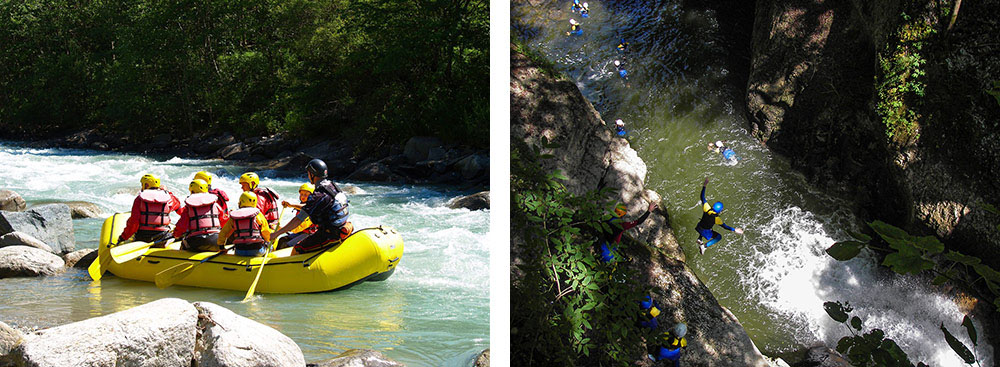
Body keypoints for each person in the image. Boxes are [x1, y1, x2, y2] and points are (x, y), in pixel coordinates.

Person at [271, 159, 354, 255]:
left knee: (297, 249)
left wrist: (276, 233)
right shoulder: (333, 186)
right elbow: (313, 205)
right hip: (339, 227)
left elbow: (298, 219)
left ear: (312, 174)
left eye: (308, 173)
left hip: (329, 234)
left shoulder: (319, 195)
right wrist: (292, 205)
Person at [118, 174, 182, 244]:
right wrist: (168, 192)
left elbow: (134, 222)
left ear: (146, 185)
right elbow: (180, 211)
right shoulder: (169, 198)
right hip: (163, 237)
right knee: (178, 237)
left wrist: (123, 237)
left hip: (142, 237)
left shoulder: (139, 199)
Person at [173, 179, 229, 252]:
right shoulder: (215, 205)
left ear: (192, 191)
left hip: (196, 242)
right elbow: (224, 222)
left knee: (183, 244)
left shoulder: (189, 207)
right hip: (216, 241)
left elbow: (182, 226)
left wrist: (176, 235)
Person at [695, 177, 743, 254]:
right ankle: (704, 246)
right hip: (705, 231)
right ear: (720, 211)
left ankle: (700, 238)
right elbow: (725, 227)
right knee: (718, 237)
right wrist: (735, 230)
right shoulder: (717, 219)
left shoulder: (707, 208)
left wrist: (704, 186)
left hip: (699, 227)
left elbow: (702, 197)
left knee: (705, 223)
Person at [217, 192, 272, 257]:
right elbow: (266, 233)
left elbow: (223, 233)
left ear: (241, 202)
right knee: (270, 246)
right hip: (256, 251)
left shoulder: (234, 216)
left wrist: (221, 247)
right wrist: (268, 242)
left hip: (239, 251)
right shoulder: (258, 215)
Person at [275, 183, 319, 249]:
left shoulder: (311, 208)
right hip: (302, 232)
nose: (303, 197)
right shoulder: (301, 206)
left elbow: (300, 227)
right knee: (282, 239)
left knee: (288, 245)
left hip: (309, 234)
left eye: (306, 195)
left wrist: (282, 229)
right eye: (301, 194)